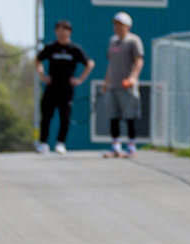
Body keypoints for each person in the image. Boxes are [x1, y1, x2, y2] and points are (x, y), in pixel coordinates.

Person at [35, 19, 95, 154]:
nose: (62, 32)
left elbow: (90, 63)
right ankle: (43, 143)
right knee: (46, 116)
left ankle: (60, 143)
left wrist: (80, 79)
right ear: (55, 31)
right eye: (59, 29)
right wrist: (42, 75)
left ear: (70, 32)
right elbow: (37, 60)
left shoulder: (74, 49)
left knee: (65, 117)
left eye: (65, 29)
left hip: (67, 89)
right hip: (51, 87)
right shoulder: (50, 47)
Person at [100, 12, 144, 159]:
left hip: (127, 86)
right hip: (113, 85)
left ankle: (131, 147)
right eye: (115, 24)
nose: (117, 27)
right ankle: (115, 147)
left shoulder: (133, 40)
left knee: (130, 116)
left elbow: (139, 61)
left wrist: (133, 77)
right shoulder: (112, 41)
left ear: (128, 26)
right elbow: (111, 64)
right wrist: (106, 81)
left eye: (121, 24)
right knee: (113, 116)